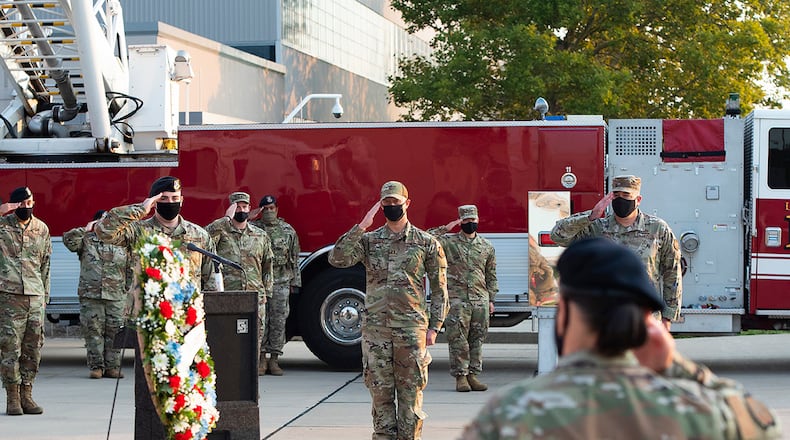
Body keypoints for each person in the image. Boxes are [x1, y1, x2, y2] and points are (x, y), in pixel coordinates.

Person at [461, 238, 782, 439]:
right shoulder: (705, 412)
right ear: (644, 324)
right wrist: (679, 366)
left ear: (566, 312)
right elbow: (766, 427)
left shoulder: (510, 415)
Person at [328, 180, 449, 440]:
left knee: (410, 399)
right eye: (387, 203)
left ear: (408, 203)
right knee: (380, 397)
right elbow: (337, 258)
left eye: (396, 202)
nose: (392, 206)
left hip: (410, 330)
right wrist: (361, 226)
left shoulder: (426, 242)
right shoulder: (369, 241)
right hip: (376, 333)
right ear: (380, 205)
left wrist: (434, 327)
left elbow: (440, 289)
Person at [550, 175, 682, 329]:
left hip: (645, 318)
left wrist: (668, 316)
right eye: (616, 195)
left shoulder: (658, 228)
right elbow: (557, 236)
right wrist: (591, 216)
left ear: (638, 200)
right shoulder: (597, 228)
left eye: (626, 195)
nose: (621, 200)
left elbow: (672, 272)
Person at [95, 176, 216, 291]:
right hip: (148, 309)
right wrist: (141, 209)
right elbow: (104, 231)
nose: (170, 202)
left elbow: (212, 279)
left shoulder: (200, 235)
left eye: (175, 198)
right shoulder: (138, 231)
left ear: (181, 200)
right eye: (164, 198)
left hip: (187, 308)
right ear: (154, 202)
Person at [427, 205, 498, 393]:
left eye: (473, 220)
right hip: (457, 300)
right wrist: (447, 227)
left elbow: (491, 274)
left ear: (478, 220)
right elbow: (426, 239)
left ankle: (473, 375)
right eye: (466, 221)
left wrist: (491, 299)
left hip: (480, 300)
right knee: (458, 339)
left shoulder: (486, 246)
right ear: (460, 221)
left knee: (477, 339)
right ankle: (461, 377)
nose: (470, 224)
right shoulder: (449, 243)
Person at [205, 192, 274, 375]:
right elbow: (203, 241)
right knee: (227, 340)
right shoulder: (220, 232)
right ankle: (228, 379)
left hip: (255, 297)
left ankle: (249, 383)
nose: (241, 210)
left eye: (244, 207)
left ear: (249, 209)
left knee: (253, 341)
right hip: (228, 296)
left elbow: (268, 266)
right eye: (238, 206)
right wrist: (225, 219)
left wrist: (267, 293)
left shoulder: (260, 236)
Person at [63, 210, 132, 379]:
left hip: (116, 295)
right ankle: (96, 367)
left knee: (115, 332)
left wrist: (126, 289)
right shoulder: (86, 240)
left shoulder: (122, 241)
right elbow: (68, 241)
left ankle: (112, 367)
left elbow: (130, 267)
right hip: (91, 295)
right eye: (101, 221)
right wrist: (86, 229)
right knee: (93, 331)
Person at [0, 187, 51, 416]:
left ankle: (27, 395)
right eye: (20, 204)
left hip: (35, 296)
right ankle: (12, 397)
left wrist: (45, 297)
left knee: (33, 349)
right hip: (9, 297)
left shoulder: (41, 229)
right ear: (12, 205)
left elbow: (46, 265)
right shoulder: (3, 226)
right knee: (10, 348)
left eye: (29, 202)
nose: (26, 207)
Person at [250, 194, 301, 376]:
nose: (270, 212)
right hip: (261, 281)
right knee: (261, 321)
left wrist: (296, 282)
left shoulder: (288, 231)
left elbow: (294, 257)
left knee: (279, 320)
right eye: (266, 209)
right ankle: (261, 359)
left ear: (277, 210)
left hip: (281, 280)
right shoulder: (253, 229)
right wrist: (250, 216)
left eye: (272, 209)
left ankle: (275, 359)